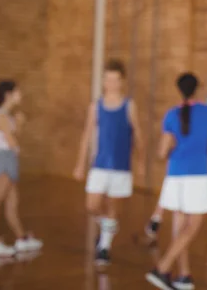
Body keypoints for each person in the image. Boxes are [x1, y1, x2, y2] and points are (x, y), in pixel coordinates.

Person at [146, 73, 207, 290]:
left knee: (180, 228)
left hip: (175, 176)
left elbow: (161, 152)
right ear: (197, 89)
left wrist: (175, 145)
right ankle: (163, 267)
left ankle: (184, 276)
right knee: (192, 228)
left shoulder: (170, 115)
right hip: (197, 177)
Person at [73, 59, 145, 266]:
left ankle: (104, 247)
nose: (112, 83)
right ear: (104, 81)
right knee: (92, 205)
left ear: (122, 81)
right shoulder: (95, 106)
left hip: (121, 167)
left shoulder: (129, 105)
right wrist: (80, 163)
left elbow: (138, 134)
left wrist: (140, 161)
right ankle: (107, 226)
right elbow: (87, 135)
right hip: (100, 164)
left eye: (116, 79)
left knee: (114, 207)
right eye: (108, 79)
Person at [145, 73, 207, 240]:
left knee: (181, 216)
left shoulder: (176, 113)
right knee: (189, 222)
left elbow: (163, 150)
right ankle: (169, 253)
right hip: (198, 167)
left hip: (183, 167)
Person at [0, 80, 43, 257]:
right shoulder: (0, 116)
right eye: (17, 91)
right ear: (8, 95)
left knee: (12, 204)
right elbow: (11, 141)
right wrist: (18, 129)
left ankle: (22, 239)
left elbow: (13, 138)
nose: (20, 94)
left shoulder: (8, 115)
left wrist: (19, 125)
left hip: (9, 158)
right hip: (3, 159)